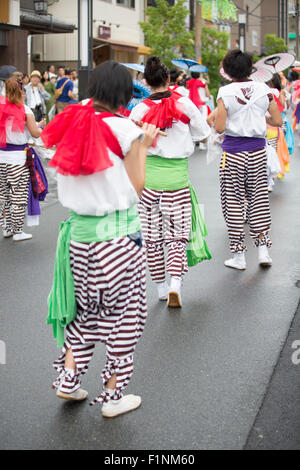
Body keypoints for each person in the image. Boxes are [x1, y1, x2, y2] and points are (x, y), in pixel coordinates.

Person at [41, 61, 159, 418]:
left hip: (78, 238)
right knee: (125, 316)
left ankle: (68, 380)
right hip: (118, 238)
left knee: (85, 314)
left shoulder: (70, 119)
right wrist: (144, 143)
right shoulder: (126, 129)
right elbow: (137, 186)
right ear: (125, 93)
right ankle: (112, 397)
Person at [130, 56, 211, 308]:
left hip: (148, 180)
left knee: (153, 238)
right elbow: (203, 134)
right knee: (177, 236)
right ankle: (176, 282)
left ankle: (161, 288)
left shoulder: (139, 110)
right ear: (168, 79)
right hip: (177, 180)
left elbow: (131, 144)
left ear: (146, 82)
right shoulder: (184, 104)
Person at [211, 49, 282, 270]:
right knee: (259, 200)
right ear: (250, 67)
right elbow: (277, 120)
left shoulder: (225, 92)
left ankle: (239, 257)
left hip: (232, 154)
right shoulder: (264, 90)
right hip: (258, 152)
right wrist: (262, 116)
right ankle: (263, 252)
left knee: (233, 203)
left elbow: (220, 126)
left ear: (228, 70)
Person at [0, 78, 44, 241]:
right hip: (18, 159)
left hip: (1, 156)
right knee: (18, 195)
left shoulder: (1, 108)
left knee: (3, 195)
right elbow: (35, 133)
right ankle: (18, 231)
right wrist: (41, 126)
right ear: (21, 92)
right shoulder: (25, 110)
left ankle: (6, 228)